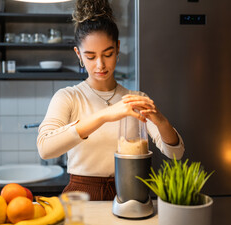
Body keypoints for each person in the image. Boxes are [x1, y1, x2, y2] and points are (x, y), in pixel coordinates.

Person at [37, 0, 185, 201]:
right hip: (82, 196)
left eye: (107, 54)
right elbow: (45, 148)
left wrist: (160, 120)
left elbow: (176, 153)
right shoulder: (69, 97)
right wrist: (105, 115)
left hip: (131, 192)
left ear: (117, 48)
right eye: (90, 57)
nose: (100, 65)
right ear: (78, 54)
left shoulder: (135, 99)